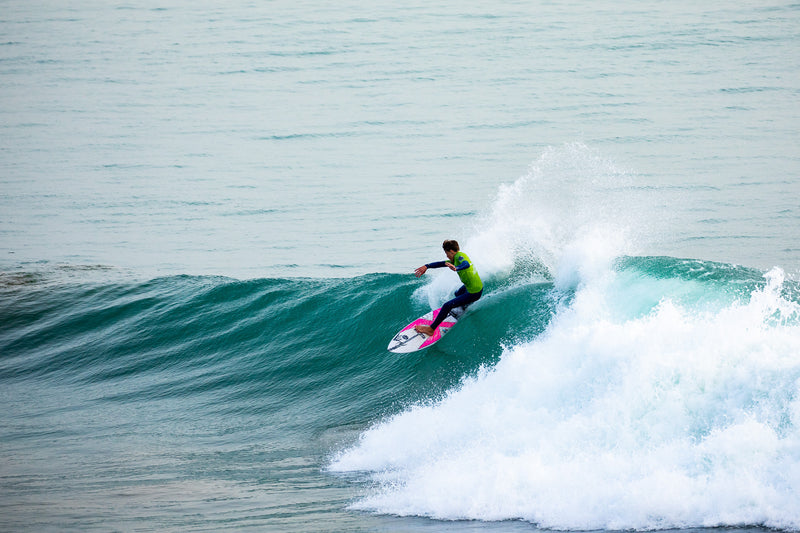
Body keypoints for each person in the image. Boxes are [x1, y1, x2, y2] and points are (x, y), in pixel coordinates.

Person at [414, 239, 483, 337]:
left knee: (447, 306)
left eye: (447, 253)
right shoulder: (455, 258)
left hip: (474, 292)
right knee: (457, 294)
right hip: (472, 287)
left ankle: (431, 329)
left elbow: (466, 264)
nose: (446, 256)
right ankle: (463, 307)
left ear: (451, 251)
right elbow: (441, 263)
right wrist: (427, 266)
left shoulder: (460, 257)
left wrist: (457, 268)